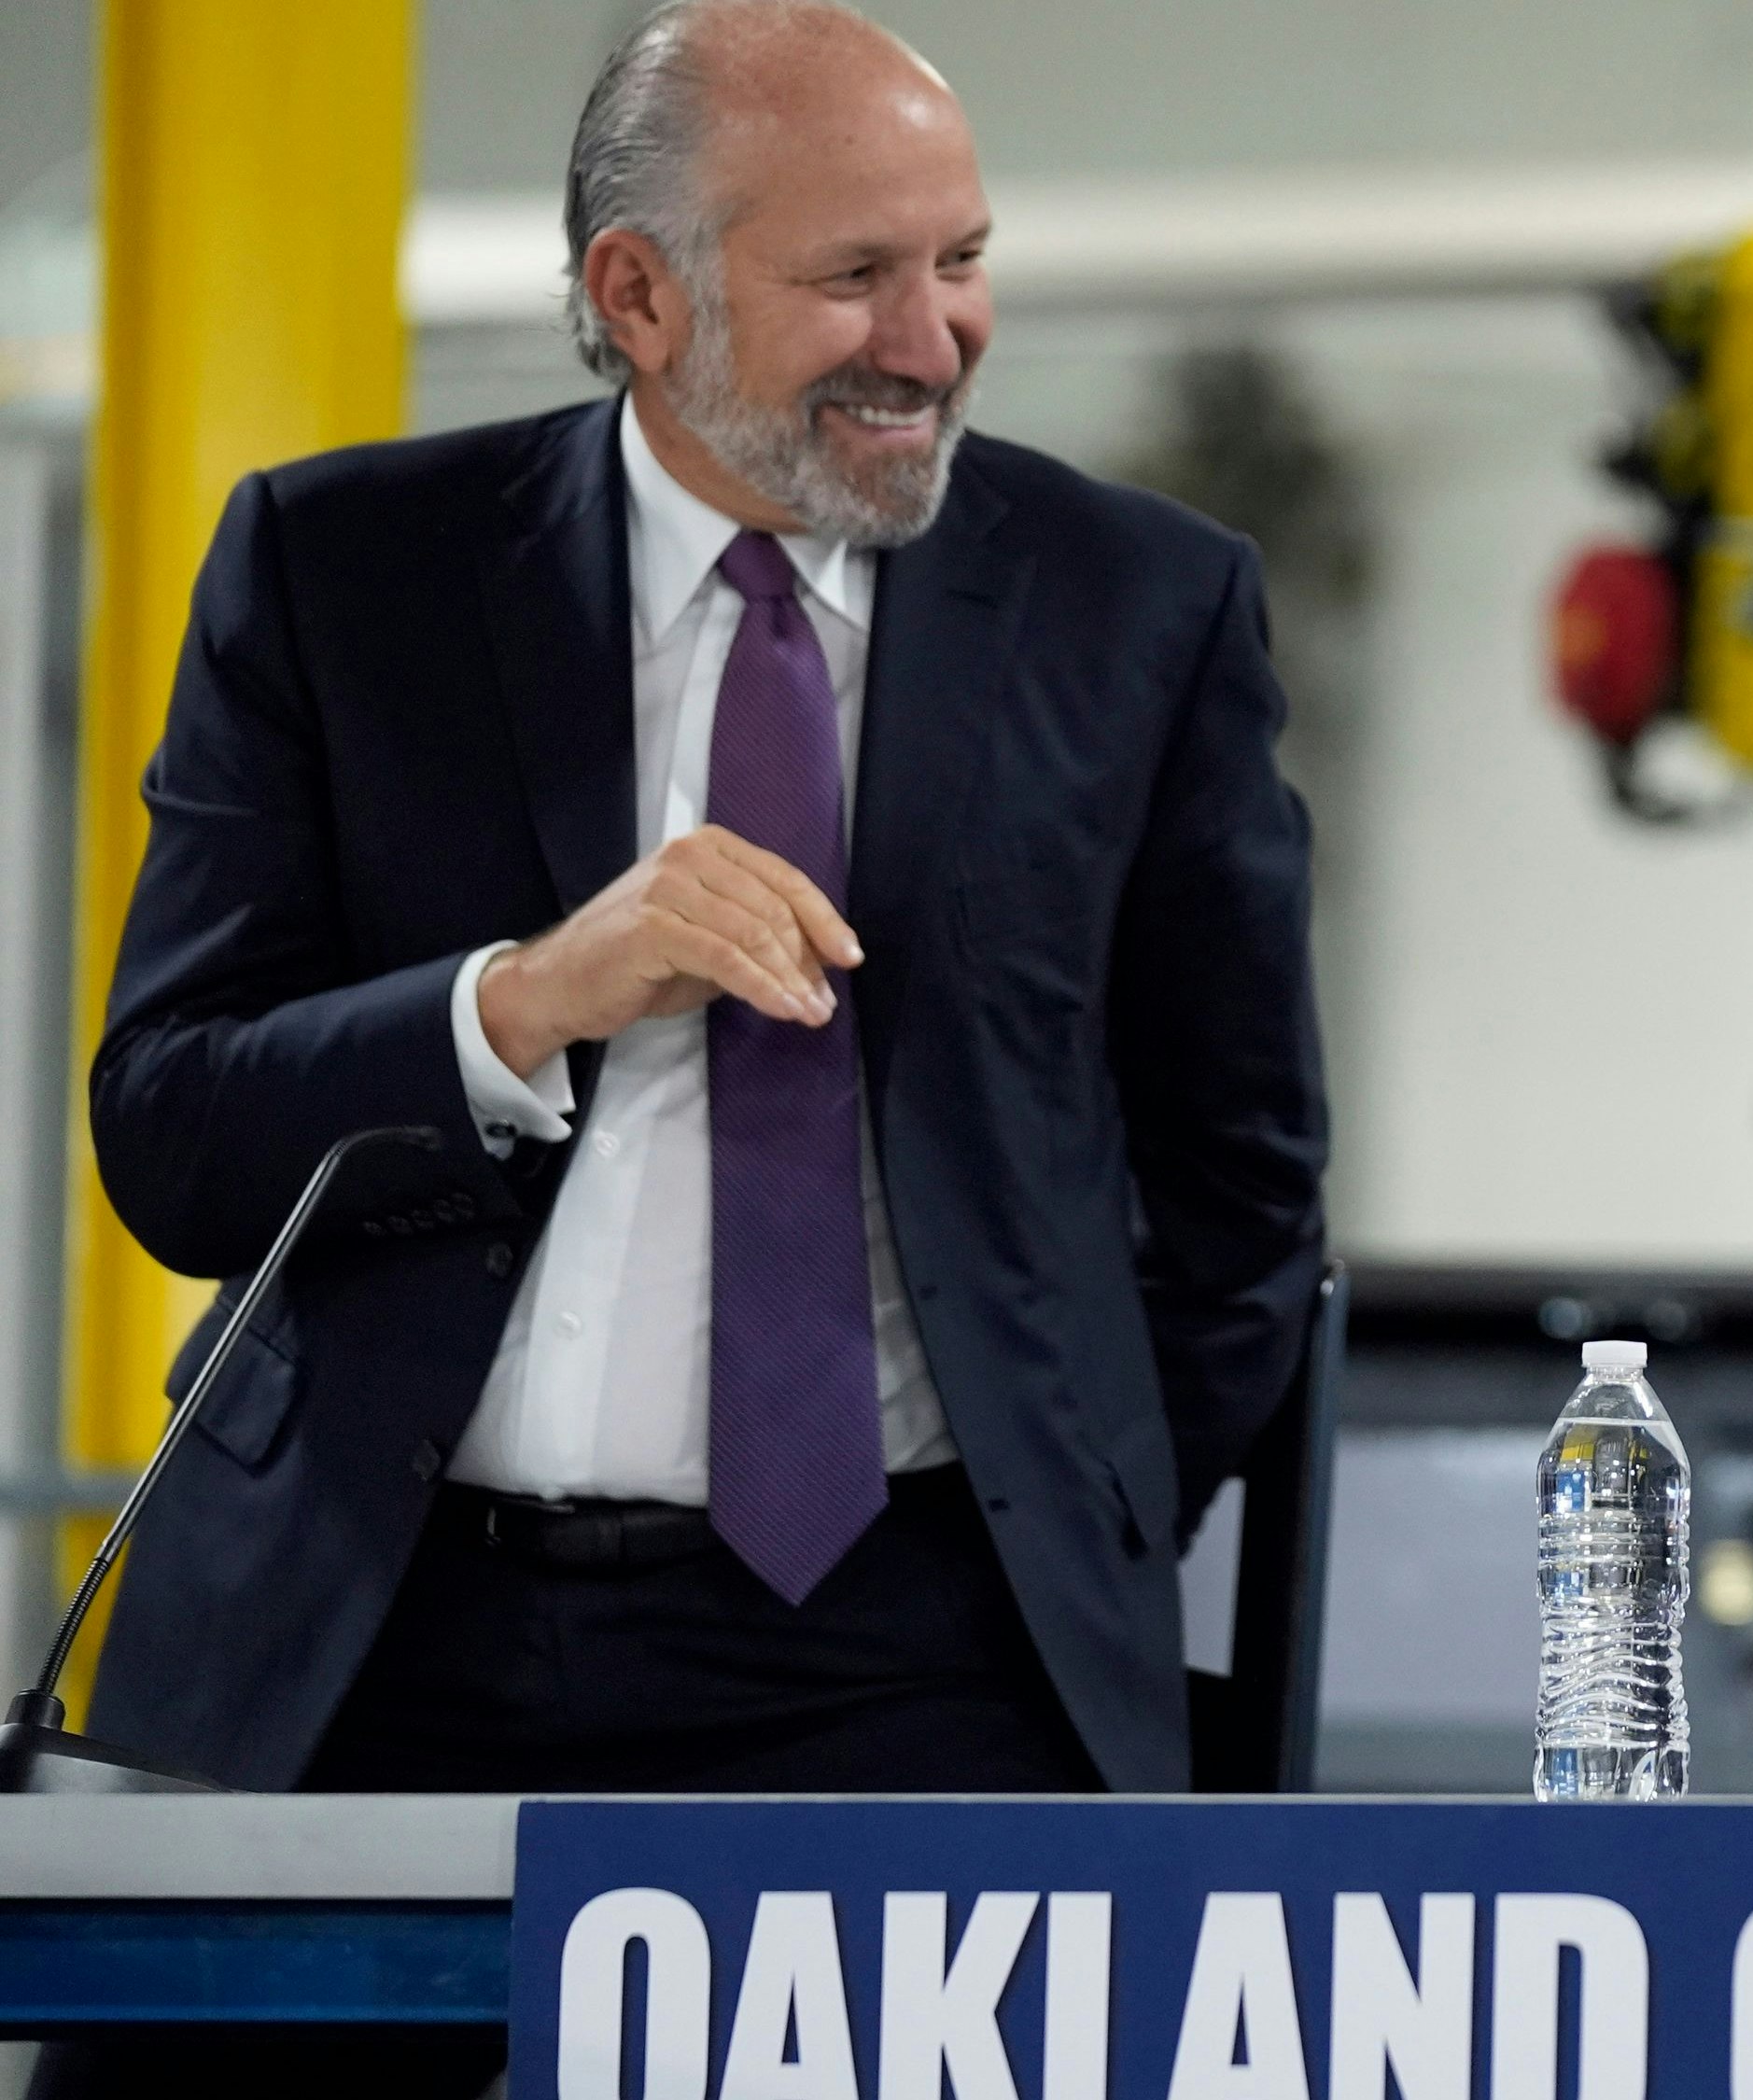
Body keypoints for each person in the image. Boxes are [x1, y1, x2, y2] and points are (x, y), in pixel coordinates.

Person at [84, 0, 1325, 1804]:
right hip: (366, 1633)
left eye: (962, 259)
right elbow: (171, 1134)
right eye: (854, 276)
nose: (933, 340)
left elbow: (1245, 1187)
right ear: (642, 297)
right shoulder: (344, 576)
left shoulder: (1138, 607)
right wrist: (517, 1003)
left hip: (918, 1664)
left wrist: (1084, 1498)